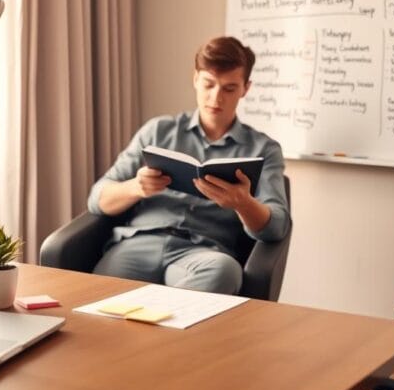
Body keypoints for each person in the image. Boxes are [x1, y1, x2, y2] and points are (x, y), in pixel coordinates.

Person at [87, 36, 291, 295]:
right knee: (98, 296)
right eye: (208, 84)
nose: (216, 98)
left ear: (245, 89)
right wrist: (135, 188)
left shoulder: (264, 150)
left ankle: (169, 328)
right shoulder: (158, 131)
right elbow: (97, 198)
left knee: (224, 271)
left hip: (204, 254)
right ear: (196, 79)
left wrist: (243, 203)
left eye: (229, 88)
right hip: (138, 243)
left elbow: (277, 226)